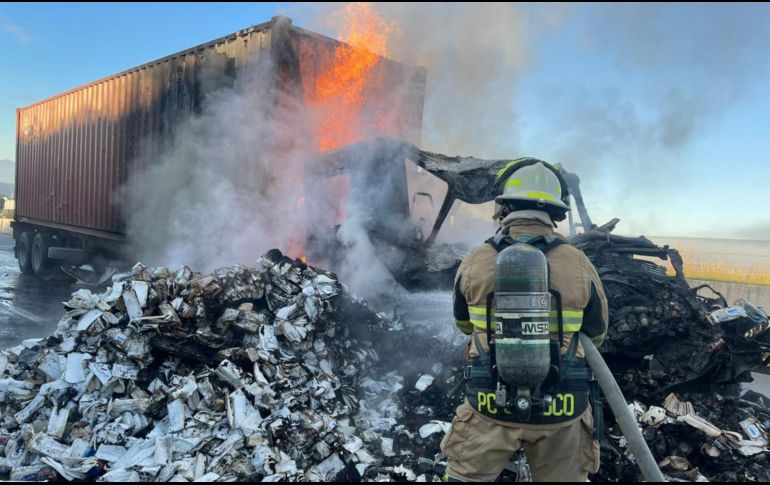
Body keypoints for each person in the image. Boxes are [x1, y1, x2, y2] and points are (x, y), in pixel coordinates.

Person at [442, 158, 609, 482]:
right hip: (562, 408)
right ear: (556, 212)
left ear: (503, 206)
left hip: (489, 404)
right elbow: (597, 333)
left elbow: (463, 323)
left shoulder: (477, 258)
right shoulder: (578, 262)